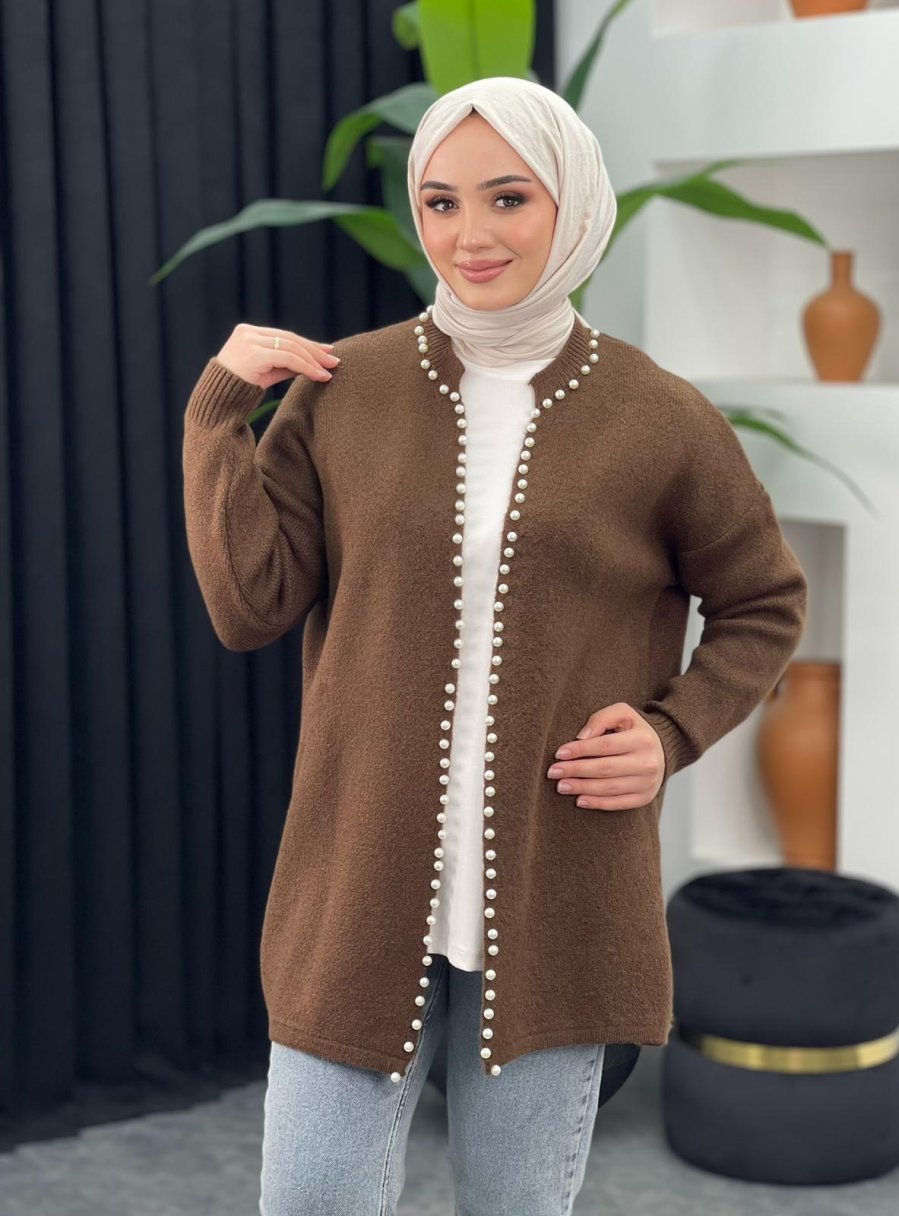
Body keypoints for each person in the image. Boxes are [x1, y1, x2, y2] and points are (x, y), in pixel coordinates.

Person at [181, 76, 808, 1215]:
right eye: (441, 202)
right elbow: (249, 605)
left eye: (508, 197)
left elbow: (764, 598)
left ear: (571, 202)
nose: (470, 235)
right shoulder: (348, 390)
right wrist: (219, 412)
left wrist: (670, 734)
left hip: (563, 897)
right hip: (356, 889)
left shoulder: (660, 417)